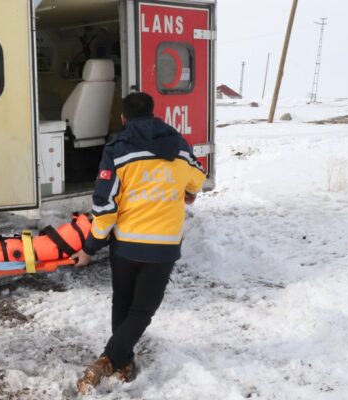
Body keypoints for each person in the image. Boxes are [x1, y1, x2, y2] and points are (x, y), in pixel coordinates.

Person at [71, 92, 206, 393]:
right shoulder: (179, 146)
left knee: (123, 302)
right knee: (141, 312)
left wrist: (89, 248)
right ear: (154, 114)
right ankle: (119, 361)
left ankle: (111, 359)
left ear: (123, 119)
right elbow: (198, 179)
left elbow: (105, 209)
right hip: (164, 247)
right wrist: (185, 189)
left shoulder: (117, 150)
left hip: (127, 245)